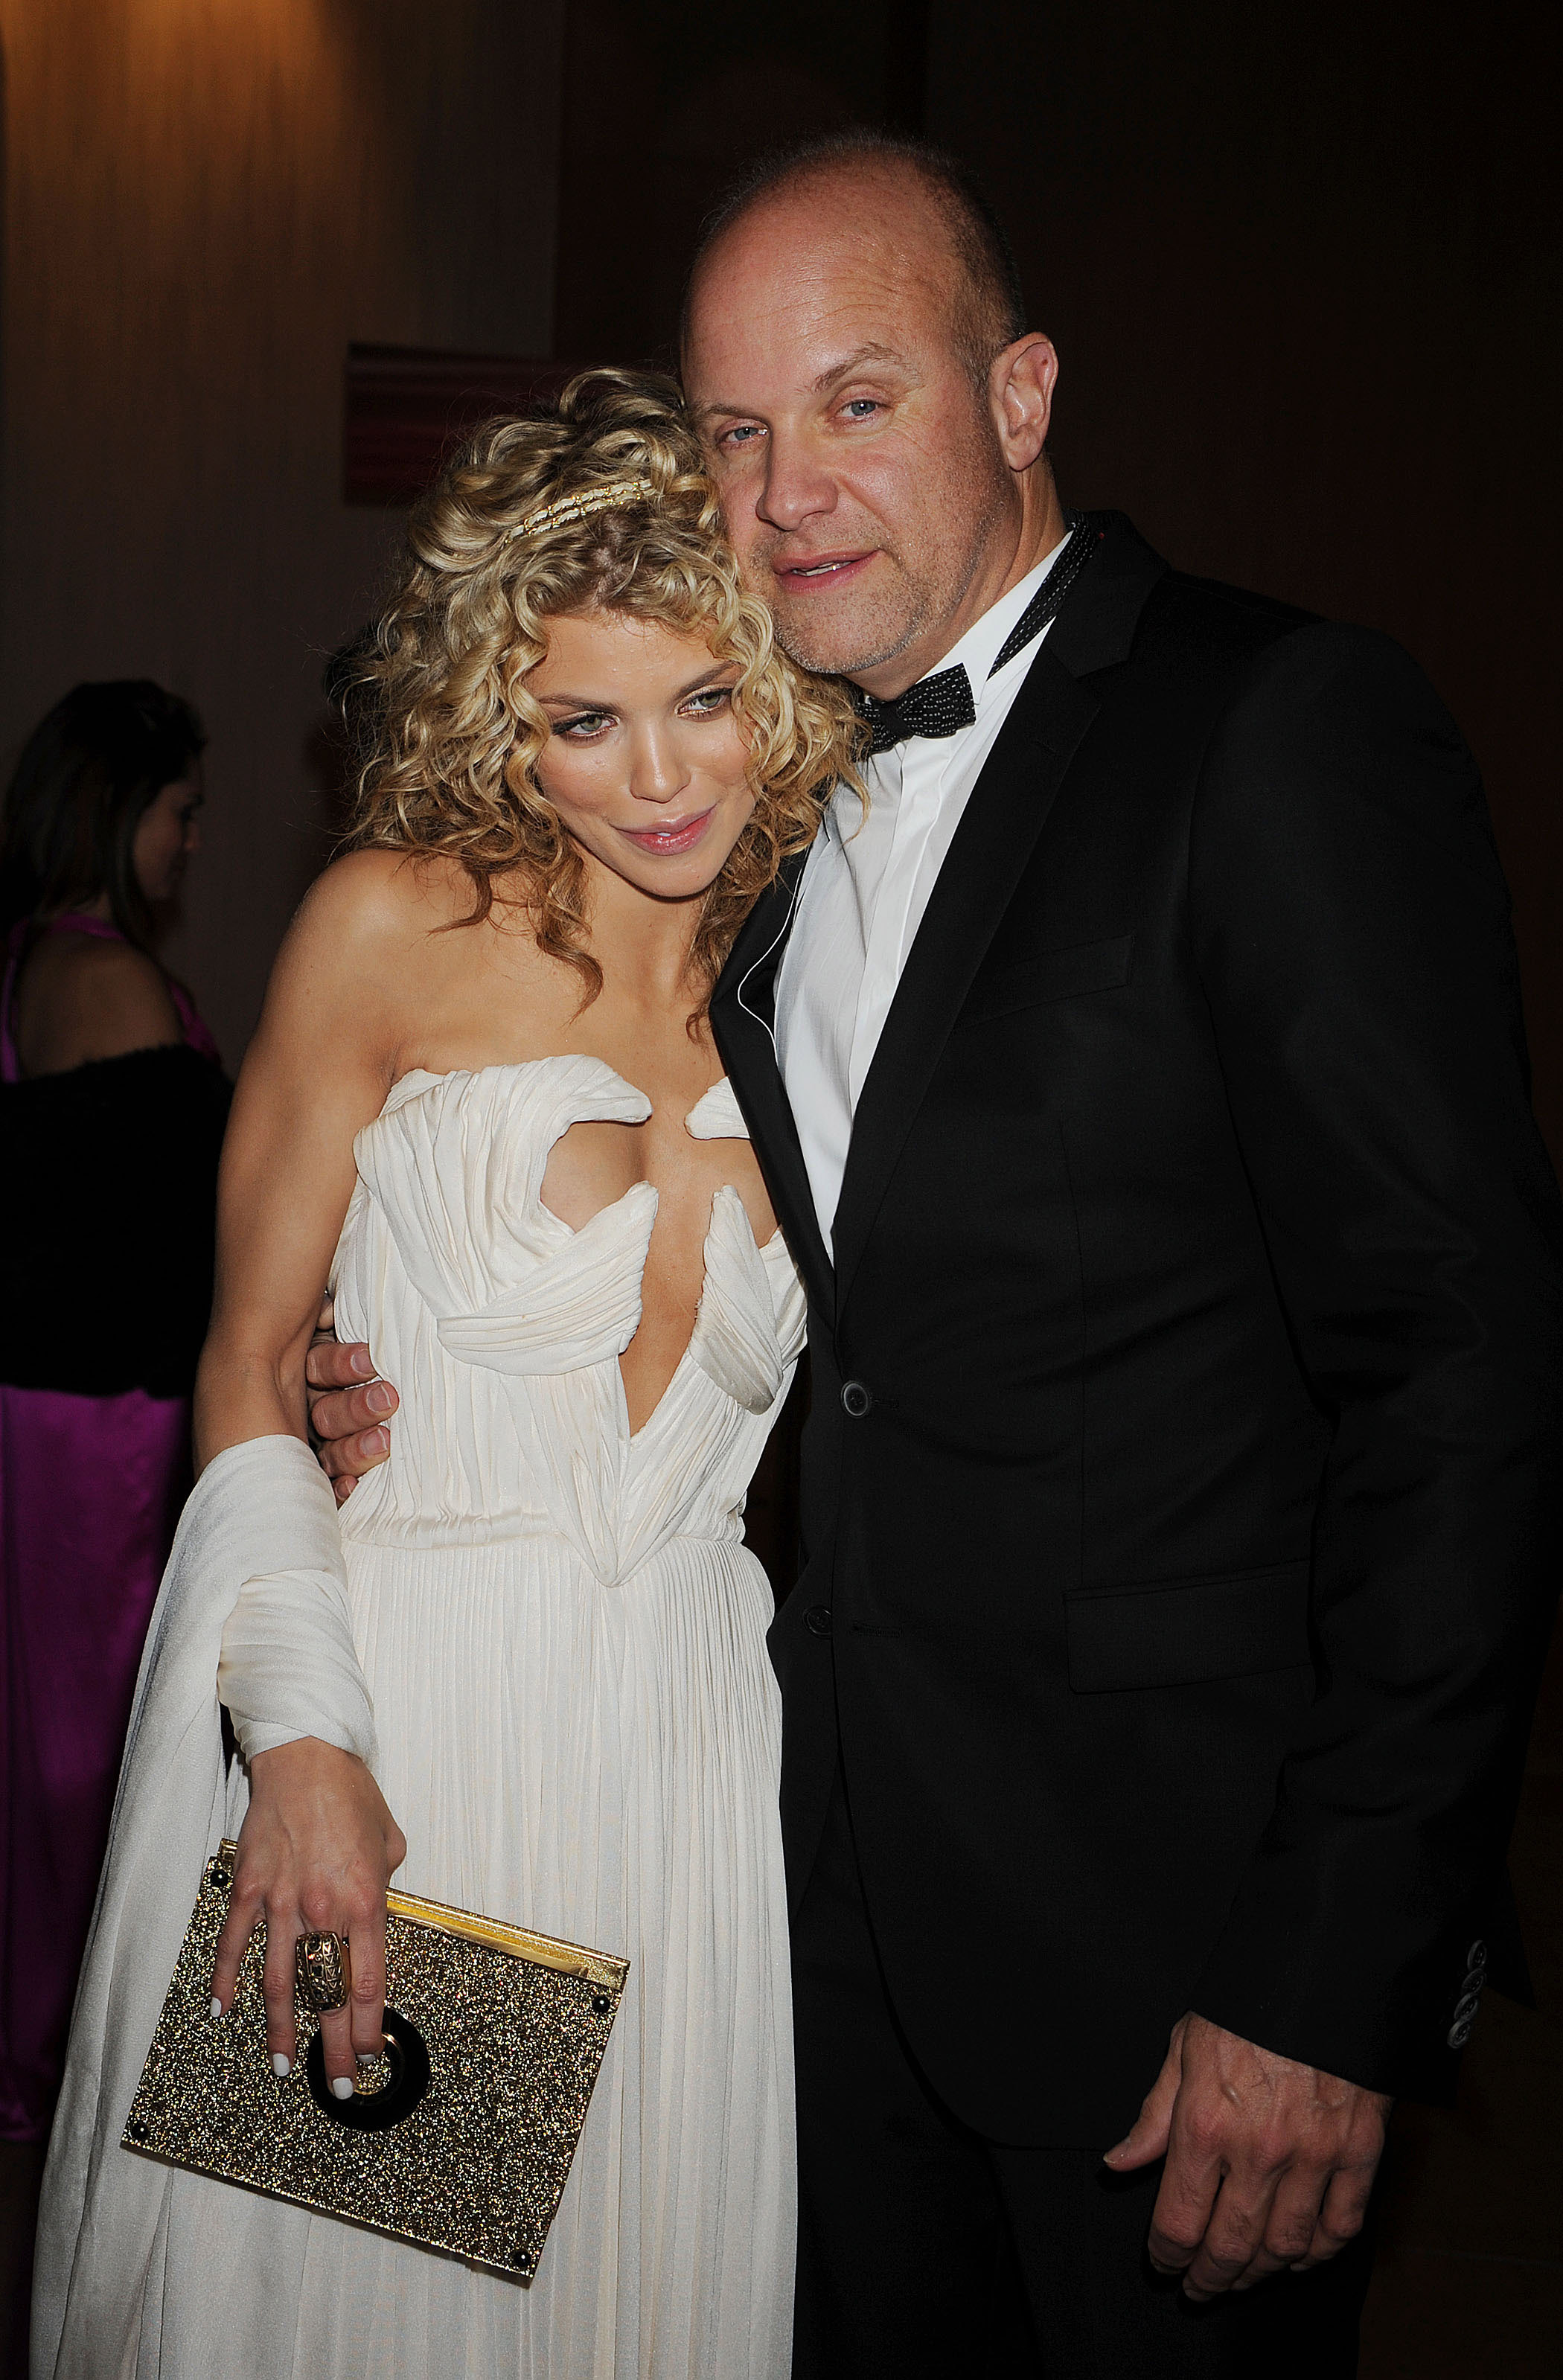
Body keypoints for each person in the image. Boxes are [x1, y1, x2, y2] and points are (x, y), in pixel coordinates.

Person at [312, 135, 1563, 2377]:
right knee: (349, 2300)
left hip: (1159, 1978)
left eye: (856, 400)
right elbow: (329, 1303)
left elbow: (1458, 1365)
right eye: (733, 429)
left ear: (1020, 392)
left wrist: (1333, 1968)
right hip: (660, 1845)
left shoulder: (1272, 726)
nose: (784, 486)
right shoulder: (722, 828)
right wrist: (364, 1381)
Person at [33, 371, 859, 2380]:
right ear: (509, 719)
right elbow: (241, 1354)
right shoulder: (398, 930)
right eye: (585, 717)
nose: (658, 776)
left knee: (615, 2316)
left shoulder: (834, 963)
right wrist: (303, 1743)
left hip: (683, 1765)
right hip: (417, 1750)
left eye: (704, 698)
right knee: (372, 2308)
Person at [0, 683, 228, 2187]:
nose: (190, 845)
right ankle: (74, 2097)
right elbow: (165, 1254)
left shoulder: (25, 963)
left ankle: (43, 2087)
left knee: (37, 1765)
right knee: (101, 1767)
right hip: (105, 1435)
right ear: (117, 806)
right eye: (180, 813)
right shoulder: (115, 986)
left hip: (34, 1416)